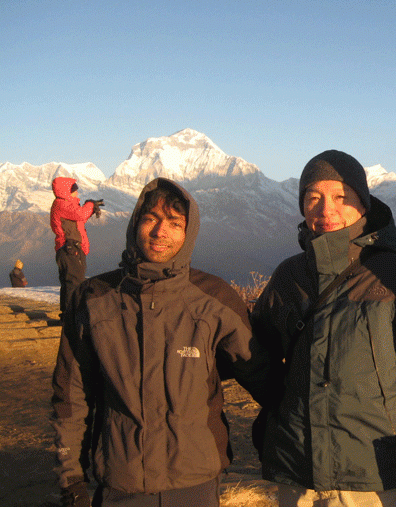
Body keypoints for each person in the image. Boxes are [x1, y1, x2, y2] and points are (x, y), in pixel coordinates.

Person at [250, 150, 396, 507]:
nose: (325, 210)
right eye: (313, 197)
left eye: (340, 196)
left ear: (363, 204)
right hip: (296, 467)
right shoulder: (289, 276)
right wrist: (278, 414)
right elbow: (257, 354)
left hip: (371, 472)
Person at [51, 177, 271, 507]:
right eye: (151, 218)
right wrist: (72, 480)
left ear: (189, 231)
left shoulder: (213, 299)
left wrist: (278, 441)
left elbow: (264, 377)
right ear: (135, 223)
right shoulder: (94, 299)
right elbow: (70, 396)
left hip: (195, 479)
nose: (160, 232)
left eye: (174, 222)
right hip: (120, 480)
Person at [49, 177, 101, 315]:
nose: (77, 194)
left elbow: (79, 219)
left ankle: (67, 315)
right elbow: (81, 214)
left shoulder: (64, 205)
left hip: (69, 248)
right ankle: (71, 317)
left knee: (69, 283)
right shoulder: (61, 204)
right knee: (75, 283)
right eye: (74, 191)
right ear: (67, 191)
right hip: (70, 248)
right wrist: (89, 204)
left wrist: (90, 209)